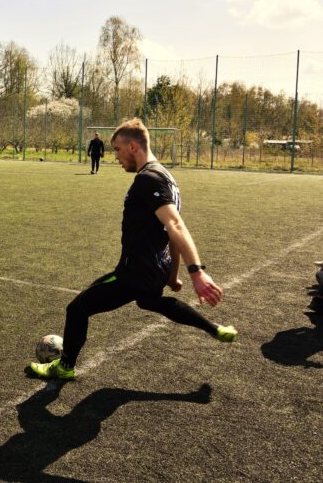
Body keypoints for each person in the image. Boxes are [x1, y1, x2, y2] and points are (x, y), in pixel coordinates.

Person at [30, 118, 236, 381]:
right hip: (157, 268)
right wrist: (171, 275)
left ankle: (64, 366)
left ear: (134, 146)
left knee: (77, 308)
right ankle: (215, 328)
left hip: (135, 271)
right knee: (150, 301)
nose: (115, 157)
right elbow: (169, 233)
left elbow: (175, 225)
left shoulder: (148, 180)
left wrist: (196, 272)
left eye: (117, 149)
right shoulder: (167, 178)